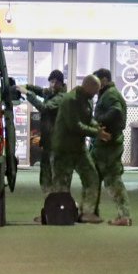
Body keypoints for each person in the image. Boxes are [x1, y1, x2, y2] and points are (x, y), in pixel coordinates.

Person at [47, 73, 103, 223]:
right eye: (95, 91)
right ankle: (58, 214)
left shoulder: (88, 100)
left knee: (92, 177)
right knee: (61, 184)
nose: (96, 94)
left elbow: (87, 118)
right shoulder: (69, 100)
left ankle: (87, 212)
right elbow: (74, 125)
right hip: (63, 149)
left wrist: (96, 126)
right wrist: (96, 133)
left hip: (79, 148)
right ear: (87, 87)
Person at [90, 67, 132, 225]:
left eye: (97, 81)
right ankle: (92, 212)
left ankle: (124, 216)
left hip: (108, 145)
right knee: (95, 177)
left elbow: (116, 113)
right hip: (104, 145)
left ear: (105, 80)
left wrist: (99, 121)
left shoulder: (110, 95)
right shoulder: (107, 94)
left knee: (113, 180)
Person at [21, 69, 66, 191]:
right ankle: (49, 198)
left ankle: (58, 199)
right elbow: (41, 91)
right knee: (45, 173)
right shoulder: (52, 93)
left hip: (56, 143)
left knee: (55, 173)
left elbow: (44, 107)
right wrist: (27, 86)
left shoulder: (61, 97)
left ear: (60, 83)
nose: (52, 85)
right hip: (49, 141)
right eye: (51, 82)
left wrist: (27, 93)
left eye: (54, 82)